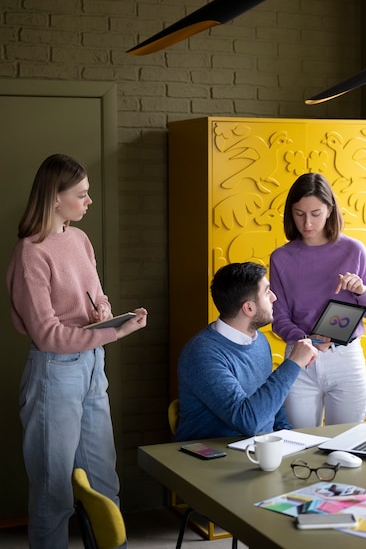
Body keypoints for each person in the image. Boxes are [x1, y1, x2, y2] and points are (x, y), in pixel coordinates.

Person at [6, 154, 148, 549]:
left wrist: (108, 313)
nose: (89, 201)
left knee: (104, 479)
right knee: (54, 493)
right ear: (55, 197)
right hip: (55, 372)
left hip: (91, 364)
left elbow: (96, 297)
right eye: (82, 194)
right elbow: (48, 333)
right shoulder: (31, 253)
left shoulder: (80, 239)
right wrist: (114, 333)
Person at [270, 172, 366, 429]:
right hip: (300, 359)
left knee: (346, 443)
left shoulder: (354, 250)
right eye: (299, 214)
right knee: (302, 443)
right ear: (291, 213)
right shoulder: (280, 257)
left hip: (346, 360)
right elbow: (279, 318)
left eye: (316, 213)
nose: (307, 223)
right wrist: (308, 341)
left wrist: (360, 291)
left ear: (330, 210)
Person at [174, 262, 317, 441]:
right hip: (211, 458)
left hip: (260, 449)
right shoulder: (202, 354)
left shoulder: (259, 341)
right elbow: (247, 421)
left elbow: (272, 401)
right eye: (267, 292)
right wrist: (293, 363)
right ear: (248, 308)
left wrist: (286, 436)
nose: (274, 297)